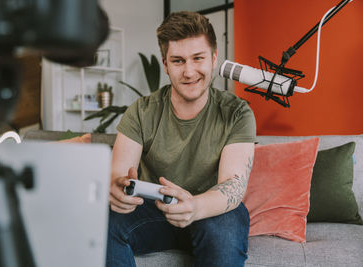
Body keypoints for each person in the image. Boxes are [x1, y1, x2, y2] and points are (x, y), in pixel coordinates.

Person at [106, 11, 256, 267]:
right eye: (178, 61)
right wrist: (118, 190)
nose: (189, 72)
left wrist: (194, 207)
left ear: (213, 58)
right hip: (153, 212)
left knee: (227, 228)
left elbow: (234, 185)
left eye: (198, 58)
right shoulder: (142, 111)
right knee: (100, 221)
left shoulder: (237, 112)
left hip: (211, 210)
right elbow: (118, 175)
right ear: (165, 64)